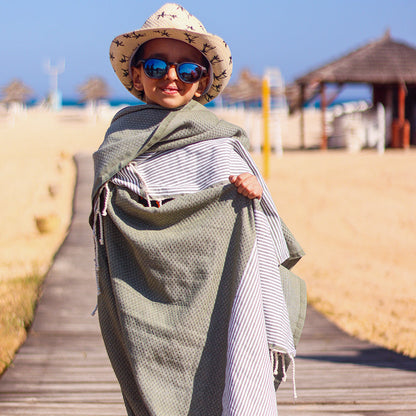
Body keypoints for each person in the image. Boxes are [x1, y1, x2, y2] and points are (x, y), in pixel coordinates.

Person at [91, 4, 306, 415]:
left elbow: (258, 214)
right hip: (141, 291)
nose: (171, 77)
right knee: (151, 378)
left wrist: (253, 191)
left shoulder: (221, 140)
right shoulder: (121, 135)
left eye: (187, 70)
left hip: (216, 290)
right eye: (156, 66)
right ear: (137, 75)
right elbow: (112, 210)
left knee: (225, 372)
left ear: (202, 80)